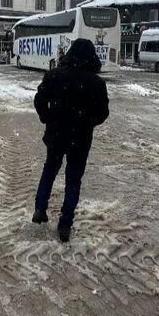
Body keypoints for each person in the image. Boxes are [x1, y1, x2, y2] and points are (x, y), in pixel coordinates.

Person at [32, 38, 109, 243]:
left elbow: (39, 101)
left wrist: (47, 118)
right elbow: (103, 113)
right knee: (73, 180)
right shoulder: (96, 82)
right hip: (80, 139)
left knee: (49, 171)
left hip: (56, 135)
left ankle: (40, 209)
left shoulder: (54, 75)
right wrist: (87, 122)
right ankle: (65, 224)